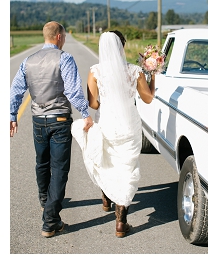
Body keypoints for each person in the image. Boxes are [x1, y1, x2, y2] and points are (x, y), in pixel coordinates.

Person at [9, 21, 94, 238]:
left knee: (42, 162)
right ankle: (50, 221)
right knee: (59, 169)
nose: (64, 40)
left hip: (38, 119)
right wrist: (86, 114)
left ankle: (45, 202)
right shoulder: (64, 58)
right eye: (63, 36)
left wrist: (13, 116)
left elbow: (16, 90)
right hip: (59, 119)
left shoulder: (28, 61)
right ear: (58, 37)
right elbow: (74, 91)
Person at [71, 30, 155, 238]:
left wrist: (107, 101)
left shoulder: (95, 71)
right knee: (127, 168)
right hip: (129, 126)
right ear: (122, 47)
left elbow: (93, 103)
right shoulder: (135, 71)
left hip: (108, 123)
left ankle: (106, 197)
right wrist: (154, 77)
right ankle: (121, 222)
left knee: (108, 161)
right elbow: (148, 99)